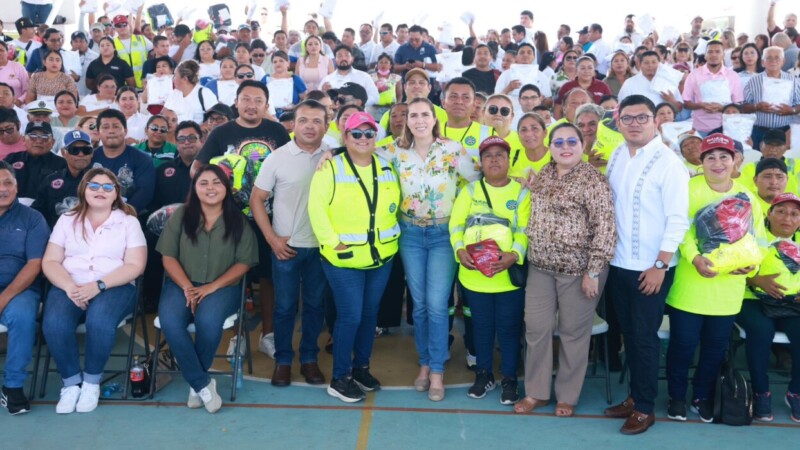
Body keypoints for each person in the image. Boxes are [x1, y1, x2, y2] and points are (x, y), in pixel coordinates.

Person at [380, 97, 479, 401]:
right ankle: (424, 363)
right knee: (419, 304)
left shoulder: (452, 149)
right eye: (414, 115)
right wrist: (330, 153)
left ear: (435, 119)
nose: (420, 120)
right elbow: (358, 156)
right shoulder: (394, 151)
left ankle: (436, 370)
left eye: (425, 114)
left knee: (437, 304)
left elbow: (479, 178)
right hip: (409, 233)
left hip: (441, 234)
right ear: (406, 119)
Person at [603, 95, 690, 435]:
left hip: (650, 269)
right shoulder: (618, 154)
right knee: (628, 334)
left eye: (642, 117)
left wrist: (660, 265)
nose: (635, 123)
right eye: (628, 118)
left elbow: (678, 220)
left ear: (656, 121)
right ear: (619, 121)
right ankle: (633, 396)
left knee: (644, 338)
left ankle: (644, 408)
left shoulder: (669, 162)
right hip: (619, 263)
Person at [517, 122, 616, 416]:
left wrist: (594, 272)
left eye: (571, 141)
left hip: (580, 271)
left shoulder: (593, 180)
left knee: (574, 333)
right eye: (558, 142)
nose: (565, 147)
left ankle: (567, 396)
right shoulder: (544, 174)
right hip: (541, 267)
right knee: (536, 329)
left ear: (582, 145)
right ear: (549, 147)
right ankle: (537, 392)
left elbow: (606, 228)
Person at [665, 133, 764, 423]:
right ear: (701, 160)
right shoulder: (687, 189)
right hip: (690, 285)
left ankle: (702, 397)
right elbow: (680, 230)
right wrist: (695, 257)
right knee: (682, 345)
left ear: (735, 161)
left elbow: (758, 240)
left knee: (714, 348)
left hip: (728, 291)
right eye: (711, 157)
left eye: (724, 156)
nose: (718, 163)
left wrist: (752, 268)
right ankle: (676, 397)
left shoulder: (748, 197)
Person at [308, 111, 400, 403]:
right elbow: (317, 209)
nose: (363, 138)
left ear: (376, 136)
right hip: (344, 259)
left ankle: (361, 368)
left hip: (381, 257)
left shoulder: (387, 165)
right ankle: (340, 377)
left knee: (370, 316)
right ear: (345, 137)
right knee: (350, 315)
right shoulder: (331, 167)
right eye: (355, 134)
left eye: (368, 133)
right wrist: (332, 243)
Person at [41, 168, 146, 414]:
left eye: (108, 187)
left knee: (99, 321)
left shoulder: (128, 222)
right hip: (70, 284)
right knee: (54, 323)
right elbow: (50, 261)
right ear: (83, 190)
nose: (101, 191)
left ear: (116, 193)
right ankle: (71, 384)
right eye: (94, 186)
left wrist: (98, 286)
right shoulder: (67, 220)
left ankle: (90, 382)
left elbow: (135, 265)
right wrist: (70, 287)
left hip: (114, 285)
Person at [156, 164, 257, 413]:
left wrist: (211, 287)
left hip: (222, 287)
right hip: (181, 284)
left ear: (226, 187)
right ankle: (202, 383)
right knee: (170, 321)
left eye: (216, 182)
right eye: (204, 183)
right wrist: (188, 287)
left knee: (208, 321)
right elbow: (167, 256)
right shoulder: (180, 216)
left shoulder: (238, 221)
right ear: (195, 187)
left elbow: (245, 262)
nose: (210, 188)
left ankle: (195, 384)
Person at [249, 100, 329, 386]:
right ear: (293, 124)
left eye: (317, 121)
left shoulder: (334, 155)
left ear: (326, 126)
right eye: (304, 120)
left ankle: (309, 359)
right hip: (286, 248)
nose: (310, 126)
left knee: (314, 307)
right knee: (284, 307)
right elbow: (256, 199)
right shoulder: (277, 158)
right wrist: (271, 238)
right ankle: (283, 360)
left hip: (322, 248)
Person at [449, 136, 530, 404]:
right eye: (488, 156)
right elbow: (456, 225)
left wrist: (514, 255)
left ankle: (509, 378)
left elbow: (524, 230)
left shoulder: (521, 193)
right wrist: (460, 250)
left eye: (500, 155)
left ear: (509, 161)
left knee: (508, 328)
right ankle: (484, 375)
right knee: (481, 328)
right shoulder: (470, 191)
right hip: (474, 277)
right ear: (480, 163)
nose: (494, 159)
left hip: (507, 277)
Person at [740, 192, 800, 423]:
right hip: (752, 299)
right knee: (761, 331)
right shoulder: (752, 237)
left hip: (791, 304)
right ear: (769, 214)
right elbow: (730, 269)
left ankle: (795, 392)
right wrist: (756, 280)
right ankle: (760, 391)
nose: (787, 218)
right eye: (781, 211)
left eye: (795, 214)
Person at [0, 160, 49, 415]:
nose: (2, 189)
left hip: (20, 288)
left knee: (22, 317)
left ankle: (12, 386)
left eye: (8, 182)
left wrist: (4, 297)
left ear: (16, 187)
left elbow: (35, 264)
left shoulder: (33, 218)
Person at [91, 109, 156, 213]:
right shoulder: (90, 157)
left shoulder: (142, 159)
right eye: (105, 127)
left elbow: (144, 193)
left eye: (116, 126)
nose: (111, 131)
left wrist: (120, 214)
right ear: (98, 132)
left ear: (125, 131)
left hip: (128, 217)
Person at [33, 130, 94, 227]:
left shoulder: (102, 180)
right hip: (57, 237)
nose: (81, 154)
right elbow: (37, 212)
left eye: (86, 150)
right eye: (74, 150)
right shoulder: (50, 181)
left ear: (92, 153)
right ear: (63, 152)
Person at [682, 41, 744, 136]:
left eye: (717, 52)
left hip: (725, 128)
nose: (714, 55)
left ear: (723, 55)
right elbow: (686, 103)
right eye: (710, 52)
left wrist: (723, 108)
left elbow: (738, 104)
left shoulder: (733, 76)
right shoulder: (694, 75)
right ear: (705, 55)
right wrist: (701, 105)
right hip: (700, 128)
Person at [742, 46, 800, 148]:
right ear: (763, 62)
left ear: (783, 61)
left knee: (783, 161)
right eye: (769, 58)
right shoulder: (753, 81)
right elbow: (743, 106)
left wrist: (793, 109)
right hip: (759, 131)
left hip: (785, 131)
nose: (773, 61)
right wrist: (756, 107)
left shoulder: (793, 81)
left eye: (777, 58)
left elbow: (799, 103)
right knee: (759, 160)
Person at [3, 121, 65, 201]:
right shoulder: (12, 159)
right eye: (33, 136)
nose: (39, 141)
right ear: (24, 140)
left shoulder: (62, 164)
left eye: (45, 137)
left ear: (52, 142)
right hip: (13, 208)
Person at [149, 121, 202, 211]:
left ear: (201, 140)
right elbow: (155, 205)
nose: (187, 142)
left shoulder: (212, 168)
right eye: (181, 139)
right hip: (171, 222)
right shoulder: (162, 170)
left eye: (192, 138)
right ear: (176, 143)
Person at [618, 51, 683, 114]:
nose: (650, 65)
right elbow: (622, 107)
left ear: (659, 64)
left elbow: (679, 108)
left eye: (654, 62)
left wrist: (672, 101)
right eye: (646, 63)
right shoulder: (629, 83)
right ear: (640, 64)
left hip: (665, 122)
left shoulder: (668, 81)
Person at [164, 60, 218, 125]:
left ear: (185, 79)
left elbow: (215, 118)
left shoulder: (205, 93)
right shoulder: (173, 94)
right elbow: (164, 114)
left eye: (175, 75)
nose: (173, 78)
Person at [112, 15, 151, 89]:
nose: (122, 27)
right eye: (118, 25)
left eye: (124, 24)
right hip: (123, 86)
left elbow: (155, 53)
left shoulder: (141, 38)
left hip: (144, 84)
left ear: (129, 25)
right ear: (115, 28)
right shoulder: (112, 43)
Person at [508, 112, 549, 182]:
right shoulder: (510, 157)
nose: (529, 134)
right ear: (518, 135)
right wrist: (516, 179)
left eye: (534, 128)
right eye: (524, 130)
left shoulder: (556, 158)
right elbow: (497, 179)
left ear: (545, 133)